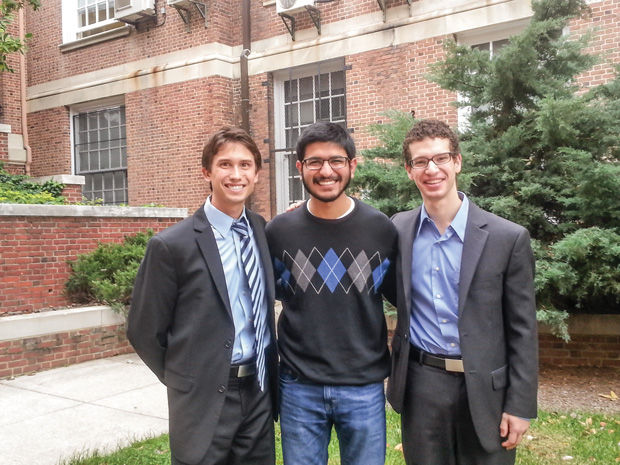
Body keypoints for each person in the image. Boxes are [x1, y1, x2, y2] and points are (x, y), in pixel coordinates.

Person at [386, 119, 538, 465]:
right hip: (421, 384)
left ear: (457, 162)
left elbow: (523, 329)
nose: (432, 169)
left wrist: (520, 405)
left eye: (441, 158)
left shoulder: (507, 238)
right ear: (409, 170)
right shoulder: (398, 228)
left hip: (486, 388)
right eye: (421, 161)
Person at [127, 127, 278, 465]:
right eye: (225, 165)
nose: (235, 175)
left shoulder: (263, 232)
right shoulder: (171, 245)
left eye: (245, 165)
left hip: (258, 391)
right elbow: (143, 330)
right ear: (207, 172)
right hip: (202, 399)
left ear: (256, 173)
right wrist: (186, 378)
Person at [265, 121, 398, 465]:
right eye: (315, 162)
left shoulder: (381, 229)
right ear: (300, 168)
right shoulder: (279, 232)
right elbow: (272, 295)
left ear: (352, 165)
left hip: (364, 386)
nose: (326, 171)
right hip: (299, 386)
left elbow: (399, 294)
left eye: (336, 161)